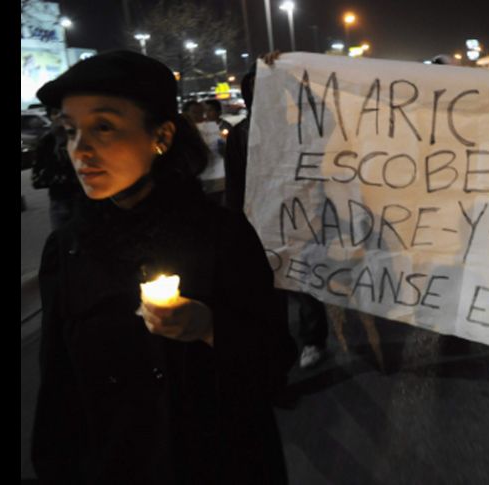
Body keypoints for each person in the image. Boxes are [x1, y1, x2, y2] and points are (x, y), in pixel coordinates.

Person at [31, 50, 297, 484]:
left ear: (162, 136)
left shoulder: (223, 235)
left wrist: (209, 326)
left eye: (104, 127)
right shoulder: (67, 249)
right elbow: (58, 391)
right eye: (69, 130)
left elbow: (274, 361)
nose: (80, 149)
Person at [225, 56, 329, 369]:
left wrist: (287, 75)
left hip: (300, 218)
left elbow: (329, 114)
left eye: (271, 88)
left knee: (303, 283)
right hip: (259, 222)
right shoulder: (241, 134)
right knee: (268, 290)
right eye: (257, 88)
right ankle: (280, 346)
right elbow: (235, 181)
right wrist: (235, 223)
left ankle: (313, 339)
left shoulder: (301, 128)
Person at [30, 106, 81, 230]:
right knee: (61, 241)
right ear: (50, 117)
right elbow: (36, 179)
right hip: (59, 201)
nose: (59, 116)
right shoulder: (47, 142)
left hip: (85, 201)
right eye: (54, 113)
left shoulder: (81, 137)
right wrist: (63, 176)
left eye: (62, 112)